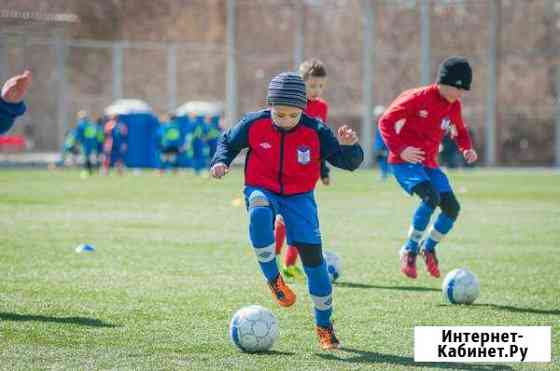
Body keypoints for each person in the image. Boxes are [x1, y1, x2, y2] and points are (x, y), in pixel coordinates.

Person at [210, 72, 363, 350]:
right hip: (262, 187)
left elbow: (348, 163)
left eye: (293, 115)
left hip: (300, 198)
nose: (286, 120)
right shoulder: (254, 123)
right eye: (279, 114)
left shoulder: (315, 130)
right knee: (258, 208)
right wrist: (221, 161)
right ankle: (274, 278)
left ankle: (324, 326)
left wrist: (351, 147)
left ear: (302, 109)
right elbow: (228, 142)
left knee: (316, 268)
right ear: (269, 106)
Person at [379, 56, 478, 280]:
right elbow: (385, 121)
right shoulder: (416, 97)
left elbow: (460, 131)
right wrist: (401, 148)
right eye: (458, 88)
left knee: (452, 208)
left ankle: (429, 247)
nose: (460, 94)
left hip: (429, 164)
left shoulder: (454, 105)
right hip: (405, 163)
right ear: (444, 81)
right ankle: (409, 249)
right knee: (430, 198)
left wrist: (466, 148)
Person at [274, 59, 331, 281]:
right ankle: (277, 257)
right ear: (302, 83)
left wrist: (324, 170)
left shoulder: (323, 107)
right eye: (313, 85)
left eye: (320, 86)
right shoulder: (292, 104)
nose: (317, 91)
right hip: (288, 168)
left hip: (310, 171)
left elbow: (321, 140)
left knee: (302, 218)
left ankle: (289, 264)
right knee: (286, 217)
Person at [75, 110, 99, 176]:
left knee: (85, 157)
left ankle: (86, 170)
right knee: (88, 157)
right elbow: (94, 134)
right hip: (91, 143)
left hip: (85, 143)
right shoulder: (89, 124)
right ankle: (90, 170)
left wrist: (78, 142)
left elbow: (79, 135)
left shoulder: (81, 124)